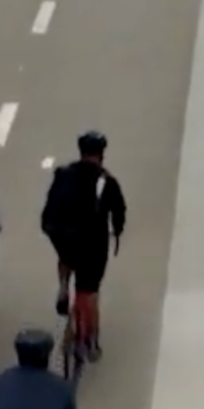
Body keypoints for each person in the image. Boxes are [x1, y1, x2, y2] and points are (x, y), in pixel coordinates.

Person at [41, 130, 127, 361]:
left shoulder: (63, 173)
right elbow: (119, 211)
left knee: (66, 253)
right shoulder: (106, 181)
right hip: (90, 241)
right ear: (102, 154)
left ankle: (62, 285)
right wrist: (117, 230)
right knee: (89, 289)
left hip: (57, 231)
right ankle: (91, 341)